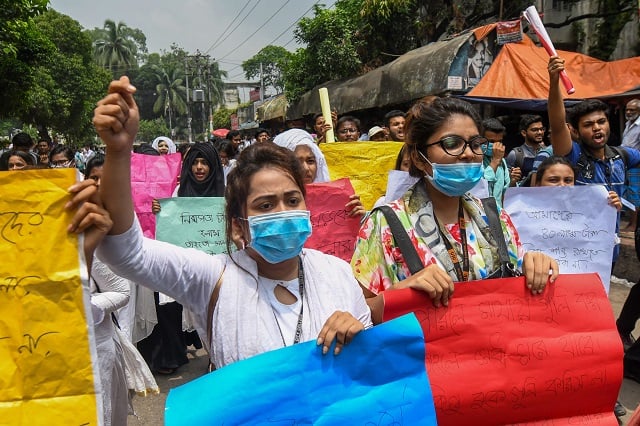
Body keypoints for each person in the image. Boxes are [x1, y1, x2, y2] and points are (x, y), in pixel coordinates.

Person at [85, 76, 371, 370]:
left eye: (293, 200)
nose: (283, 212)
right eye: (266, 205)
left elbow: (370, 368)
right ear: (238, 226)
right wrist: (118, 153)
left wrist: (358, 335)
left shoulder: (336, 273)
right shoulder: (213, 277)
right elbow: (128, 253)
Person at [350, 96, 559, 324]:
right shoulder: (385, 224)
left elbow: (516, 281)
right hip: (424, 356)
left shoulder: (494, 216)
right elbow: (359, 314)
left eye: (475, 144)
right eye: (452, 144)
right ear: (419, 159)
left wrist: (535, 266)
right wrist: (401, 293)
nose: (468, 153)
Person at [548, 56, 639, 421]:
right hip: (571, 256)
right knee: (569, 325)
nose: (597, 128)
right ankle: (564, 386)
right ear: (578, 130)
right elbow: (555, 121)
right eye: (588, 124)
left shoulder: (621, 156)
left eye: (601, 121)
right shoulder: (572, 156)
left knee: (597, 327)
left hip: (608, 255)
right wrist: (554, 84)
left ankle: (601, 392)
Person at [273, 128, 365, 218]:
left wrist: (357, 218)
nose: (305, 168)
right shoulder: (270, 208)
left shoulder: (335, 200)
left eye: (310, 161)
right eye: (296, 162)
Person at [505, 114, 546, 186]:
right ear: (524, 133)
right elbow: (506, 183)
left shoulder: (547, 152)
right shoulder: (515, 154)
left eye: (541, 129)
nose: (540, 132)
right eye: (535, 130)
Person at [480, 118, 510, 207]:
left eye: (499, 142)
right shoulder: (474, 159)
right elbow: (482, 188)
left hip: (498, 213)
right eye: (491, 142)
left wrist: (513, 180)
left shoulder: (502, 161)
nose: (496, 146)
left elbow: (505, 190)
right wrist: (495, 161)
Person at [622, 99, 640, 231]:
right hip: (626, 163)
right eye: (627, 109)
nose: (628, 112)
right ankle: (631, 222)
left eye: (632, 110)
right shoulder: (628, 124)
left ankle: (634, 224)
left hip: (637, 164)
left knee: (634, 193)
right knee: (627, 193)